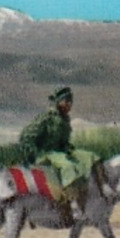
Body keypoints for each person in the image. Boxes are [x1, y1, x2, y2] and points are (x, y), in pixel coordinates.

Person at [19, 85, 98, 220]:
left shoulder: (65, 120)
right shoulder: (47, 118)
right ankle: (73, 204)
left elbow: (63, 142)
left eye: (70, 102)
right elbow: (26, 136)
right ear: (58, 102)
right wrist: (34, 152)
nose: (69, 104)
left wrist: (69, 148)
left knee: (90, 157)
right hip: (47, 154)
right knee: (68, 166)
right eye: (66, 101)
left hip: (61, 152)